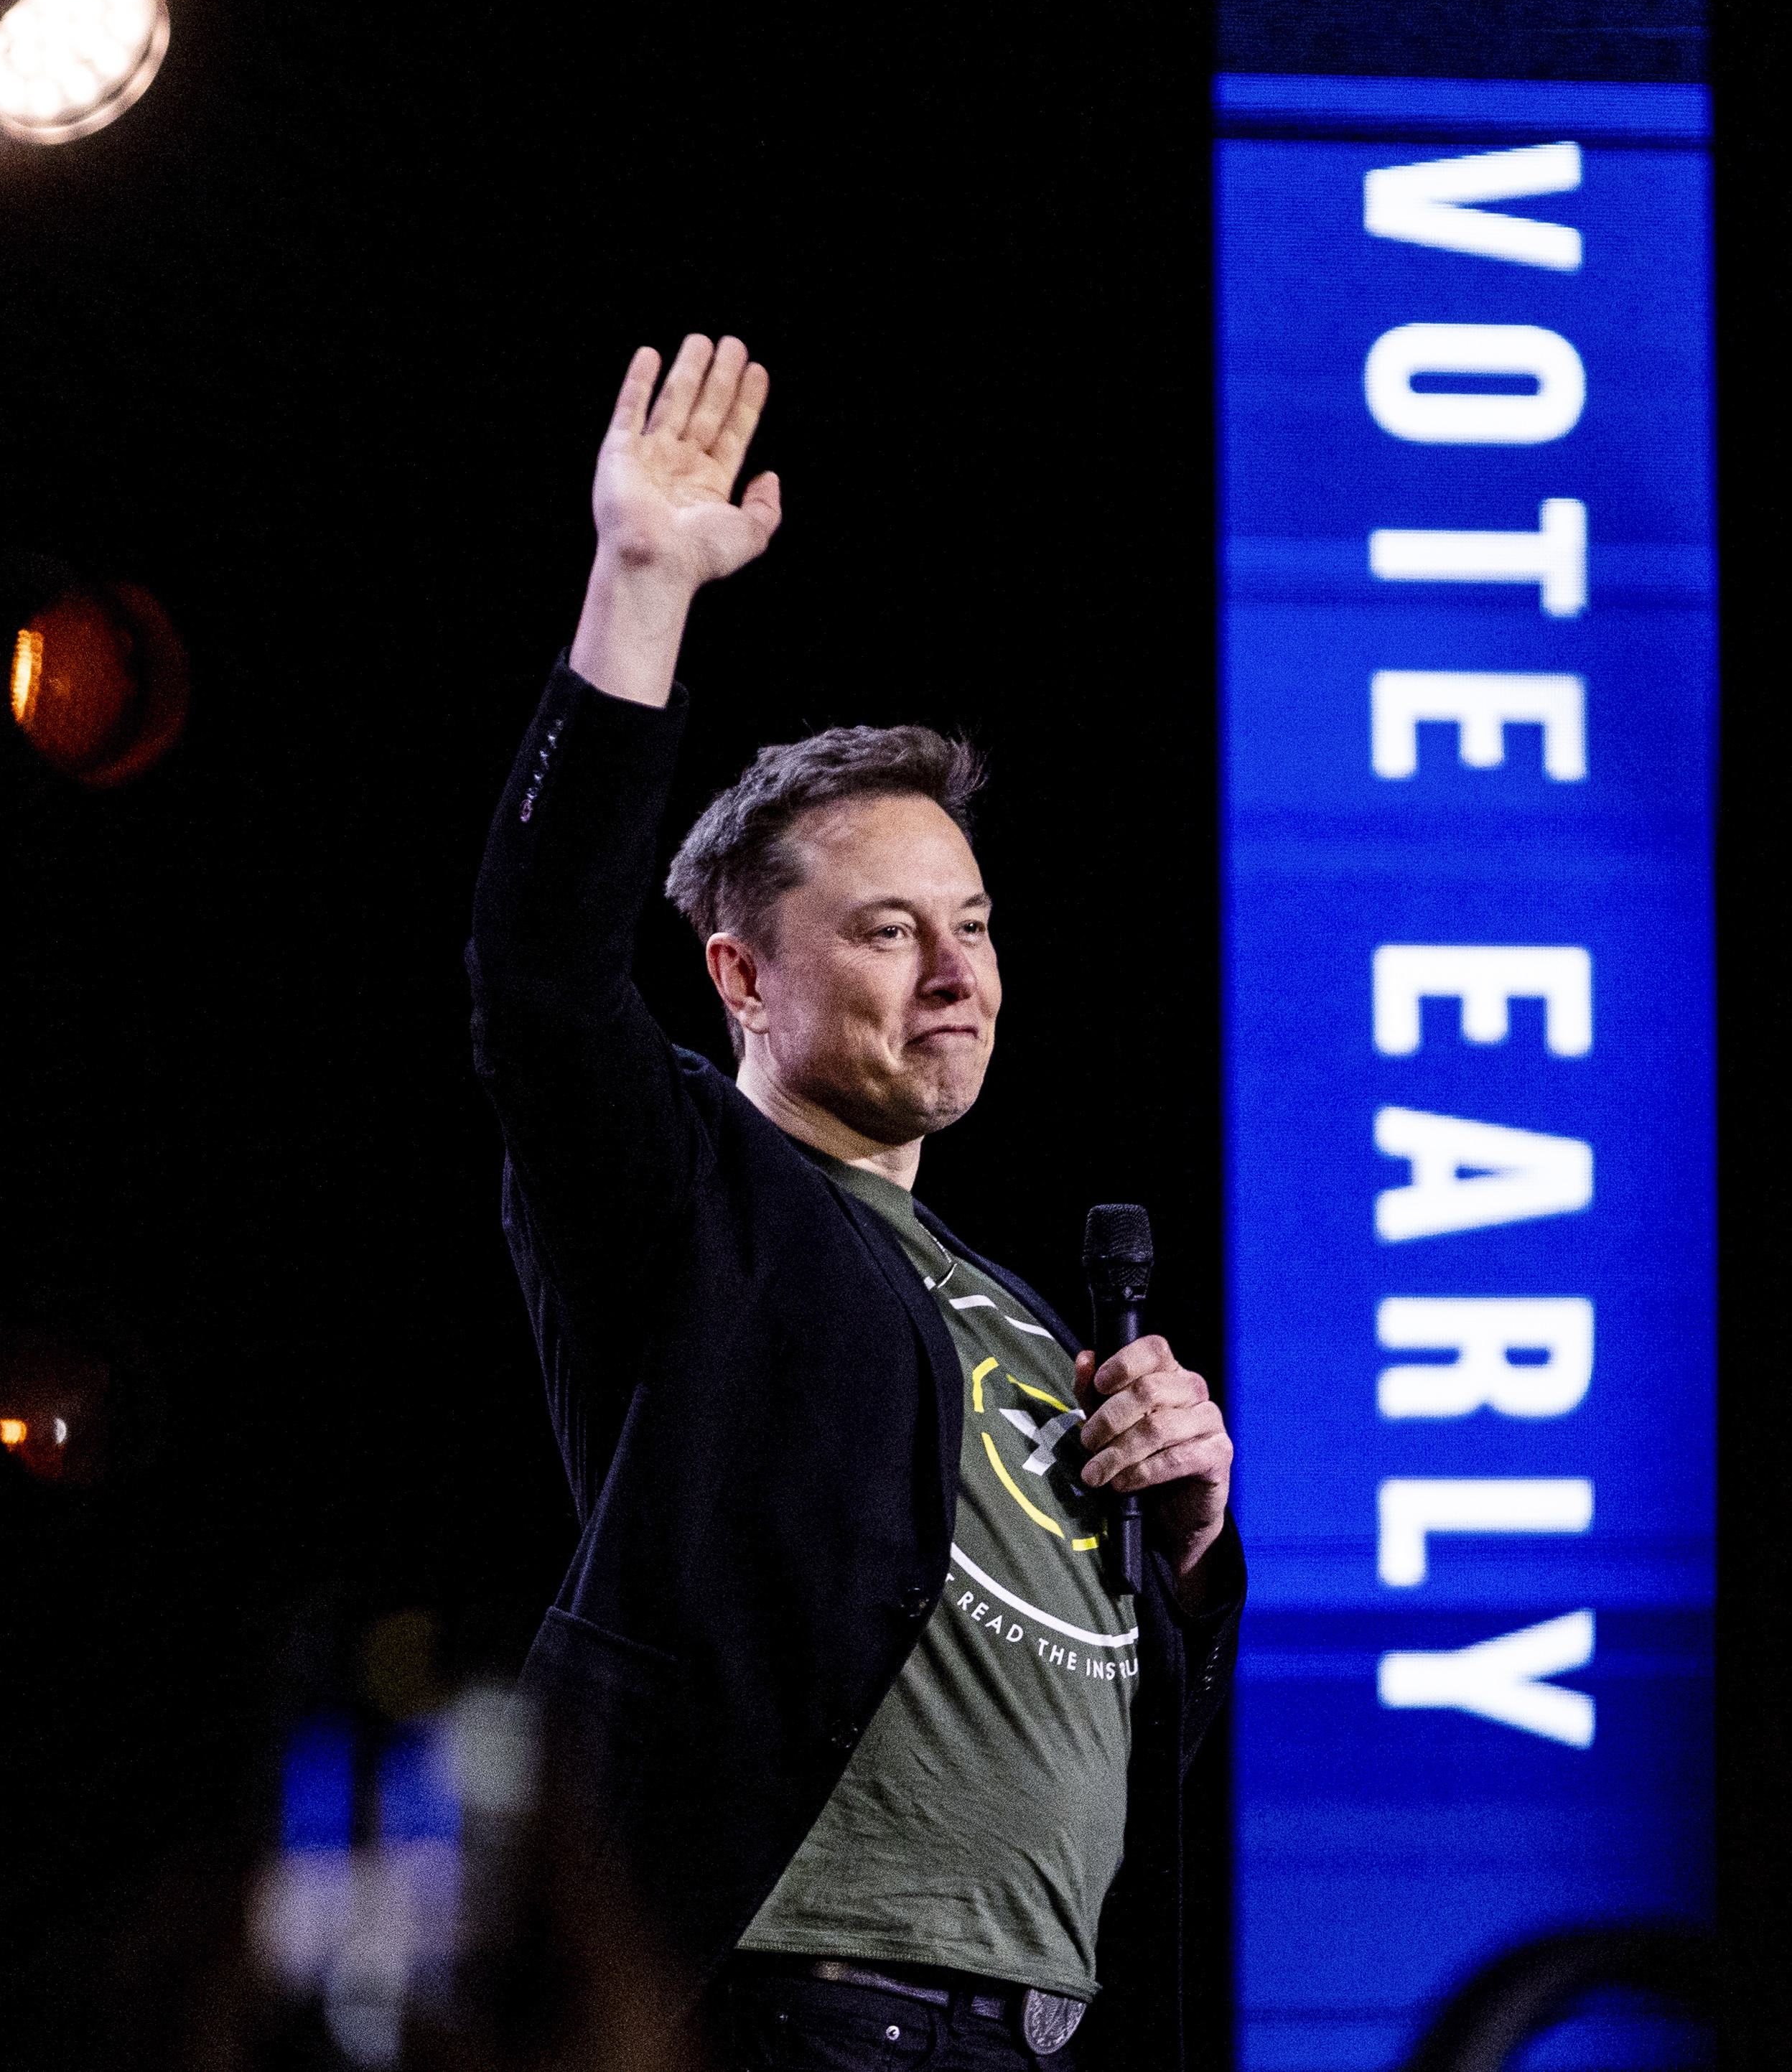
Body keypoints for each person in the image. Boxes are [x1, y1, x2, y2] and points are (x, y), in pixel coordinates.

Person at [467, 335, 1243, 2070]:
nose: (956, 973)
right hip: (791, 2007)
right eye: (891, 930)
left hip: (1020, 2031)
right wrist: (641, 584)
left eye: (973, 926)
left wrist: (1190, 1554)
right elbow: (538, 975)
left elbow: (1106, 1727)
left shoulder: (1021, 1312)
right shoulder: (698, 1202)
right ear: (741, 974)